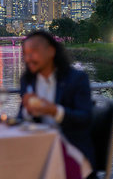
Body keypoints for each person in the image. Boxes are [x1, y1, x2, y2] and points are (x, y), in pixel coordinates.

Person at [18, 30, 95, 178]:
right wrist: (27, 110)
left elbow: (86, 118)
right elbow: (21, 117)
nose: (28, 58)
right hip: (37, 148)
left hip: (72, 148)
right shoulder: (27, 80)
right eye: (25, 54)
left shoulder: (77, 79)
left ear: (51, 51)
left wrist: (55, 111)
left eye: (33, 52)